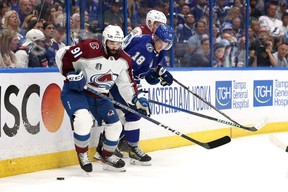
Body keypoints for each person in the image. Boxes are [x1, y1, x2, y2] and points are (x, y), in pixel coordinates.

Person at [55, 25, 150, 173]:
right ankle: (82, 153)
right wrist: (69, 73)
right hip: (77, 91)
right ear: (105, 40)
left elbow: (126, 85)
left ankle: (106, 155)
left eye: (118, 43)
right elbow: (62, 54)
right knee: (83, 120)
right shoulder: (89, 47)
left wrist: (136, 100)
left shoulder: (124, 60)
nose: (115, 46)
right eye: (112, 43)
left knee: (116, 126)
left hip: (100, 95)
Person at [95, 23, 174, 166]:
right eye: (161, 41)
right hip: (118, 80)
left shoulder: (160, 51)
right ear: (155, 36)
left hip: (125, 81)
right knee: (134, 112)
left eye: (167, 43)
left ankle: (111, 147)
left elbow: (146, 72)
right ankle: (130, 148)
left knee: (122, 114)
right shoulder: (144, 48)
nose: (163, 45)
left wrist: (158, 74)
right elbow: (127, 71)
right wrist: (138, 94)